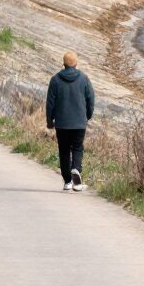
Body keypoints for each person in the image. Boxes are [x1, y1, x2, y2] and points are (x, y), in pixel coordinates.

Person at [45, 51, 95, 192]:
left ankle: (67, 181)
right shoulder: (84, 79)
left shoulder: (55, 80)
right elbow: (91, 99)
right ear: (76, 63)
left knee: (64, 150)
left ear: (64, 64)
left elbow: (50, 104)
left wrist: (50, 121)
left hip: (61, 123)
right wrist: (88, 115)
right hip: (79, 122)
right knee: (78, 147)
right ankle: (76, 170)